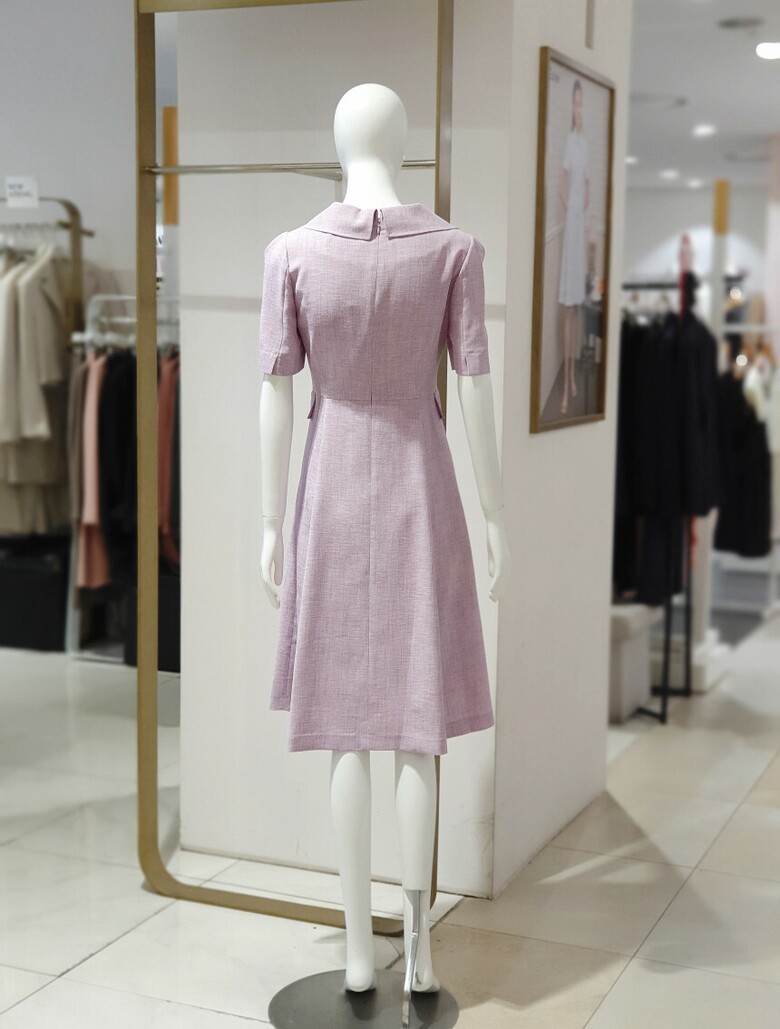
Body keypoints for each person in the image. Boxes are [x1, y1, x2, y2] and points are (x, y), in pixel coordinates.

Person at [557, 78, 590, 415]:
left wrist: (581, 208)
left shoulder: (585, 144)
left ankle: (572, 375)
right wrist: (570, 209)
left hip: (580, 225)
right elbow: (561, 182)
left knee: (577, 307)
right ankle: (566, 381)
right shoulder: (570, 141)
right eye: (575, 103)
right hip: (572, 227)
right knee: (568, 307)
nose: (578, 108)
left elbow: (587, 185)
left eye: (582, 103)